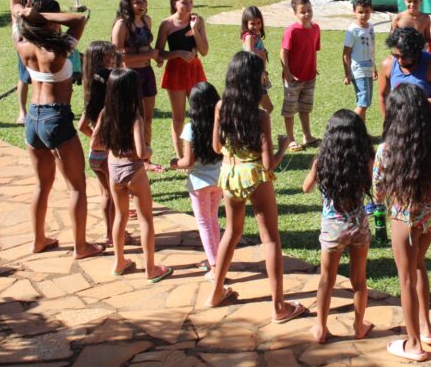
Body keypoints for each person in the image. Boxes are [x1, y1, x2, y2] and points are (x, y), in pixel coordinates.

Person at [209, 52, 306, 324]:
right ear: (253, 80)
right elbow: (268, 164)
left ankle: (216, 292)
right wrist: (284, 146)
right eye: (262, 74)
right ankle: (279, 307)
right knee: (270, 239)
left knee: (231, 231)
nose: (265, 77)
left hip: (229, 174)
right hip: (254, 175)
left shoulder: (221, 107)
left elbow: (216, 147)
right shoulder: (260, 115)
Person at [13, 0, 104, 259]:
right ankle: (80, 246)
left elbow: (19, 20)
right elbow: (79, 19)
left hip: (33, 118)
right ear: (45, 22)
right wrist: (42, 15)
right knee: (77, 187)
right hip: (56, 118)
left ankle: (38, 240)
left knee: (42, 184)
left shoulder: (21, 44)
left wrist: (30, 16)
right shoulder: (59, 48)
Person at [374, 83, 431, 362]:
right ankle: (427, 329)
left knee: (406, 280)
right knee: (418, 265)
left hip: (405, 216)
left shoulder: (386, 149)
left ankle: (413, 344)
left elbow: (378, 190)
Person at [93, 68, 172, 282]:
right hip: (134, 170)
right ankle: (150, 269)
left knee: (120, 217)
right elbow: (142, 152)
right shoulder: (135, 116)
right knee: (145, 219)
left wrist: (114, 147)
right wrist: (149, 151)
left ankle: (119, 262)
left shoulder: (105, 113)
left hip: (114, 168)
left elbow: (94, 143)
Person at [303, 109, 375, 344]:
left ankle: (320, 327)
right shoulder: (365, 160)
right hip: (358, 226)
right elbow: (377, 185)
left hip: (332, 228)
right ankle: (359, 326)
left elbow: (306, 187)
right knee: (359, 280)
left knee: (327, 279)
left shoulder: (323, 161)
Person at [378, 27, 431, 175]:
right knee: (406, 162)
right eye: (396, 55)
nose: (400, 60)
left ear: (417, 52)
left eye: (405, 56)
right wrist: (388, 123)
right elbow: (383, 96)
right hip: (403, 119)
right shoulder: (388, 65)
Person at [78, 43, 133, 247]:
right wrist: (107, 145)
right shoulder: (108, 104)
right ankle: (114, 234)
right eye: (109, 56)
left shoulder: (92, 96)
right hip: (107, 156)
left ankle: (110, 233)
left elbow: (82, 126)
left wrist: (96, 142)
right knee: (114, 197)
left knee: (106, 195)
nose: (113, 59)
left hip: (95, 156)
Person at [170, 82, 223, 281]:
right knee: (213, 220)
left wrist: (174, 163)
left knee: (204, 223)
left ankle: (215, 266)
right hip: (219, 179)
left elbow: (188, 161)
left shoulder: (190, 128)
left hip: (199, 183)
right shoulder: (221, 125)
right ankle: (217, 259)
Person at [111, 0, 163, 172]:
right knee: (133, 119)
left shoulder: (147, 21)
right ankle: (131, 157)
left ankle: (145, 158)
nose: (142, 5)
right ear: (128, 3)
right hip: (129, 77)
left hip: (147, 74)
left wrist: (155, 57)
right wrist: (148, 54)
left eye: (144, 1)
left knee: (147, 118)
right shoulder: (121, 25)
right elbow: (117, 57)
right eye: (137, 2)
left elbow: (149, 49)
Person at [156, 0, 209, 160]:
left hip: (195, 69)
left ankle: (199, 150)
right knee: (178, 117)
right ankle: (181, 157)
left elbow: (204, 51)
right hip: (176, 71)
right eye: (184, 2)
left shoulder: (198, 20)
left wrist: (195, 30)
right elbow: (159, 53)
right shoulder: (166, 24)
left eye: (191, 2)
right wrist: (178, 53)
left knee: (199, 113)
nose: (188, 6)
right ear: (174, 3)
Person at [10, 0, 53, 125]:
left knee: (46, 71)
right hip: (25, 35)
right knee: (25, 76)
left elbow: (52, 8)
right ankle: (22, 112)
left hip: (45, 32)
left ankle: (45, 105)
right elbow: (15, 12)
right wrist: (24, 12)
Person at [280, 0, 321, 151]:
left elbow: (312, 49)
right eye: (303, 12)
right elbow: (283, 53)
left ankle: (307, 136)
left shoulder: (316, 28)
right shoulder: (291, 31)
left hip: (309, 77)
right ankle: (290, 138)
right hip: (293, 79)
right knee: (290, 109)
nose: (307, 14)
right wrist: (287, 73)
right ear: (295, 13)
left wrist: (313, 66)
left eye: (309, 10)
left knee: (305, 107)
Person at [343, 0, 377, 121]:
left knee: (365, 103)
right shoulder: (352, 30)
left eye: (366, 11)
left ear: (371, 10)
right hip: (358, 70)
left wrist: (374, 67)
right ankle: (348, 127)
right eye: (360, 12)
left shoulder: (371, 27)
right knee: (363, 103)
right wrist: (347, 74)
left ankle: (361, 131)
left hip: (368, 69)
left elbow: (372, 48)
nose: (364, 15)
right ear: (354, 11)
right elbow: (346, 54)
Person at [240, 6, 274, 113]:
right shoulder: (249, 37)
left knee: (258, 108)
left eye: (259, 23)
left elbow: (260, 55)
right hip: (252, 77)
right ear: (246, 24)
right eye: (252, 23)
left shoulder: (256, 36)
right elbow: (251, 56)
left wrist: (264, 72)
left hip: (258, 74)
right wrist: (261, 73)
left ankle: (256, 122)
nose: (256, 26)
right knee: (266, 108)